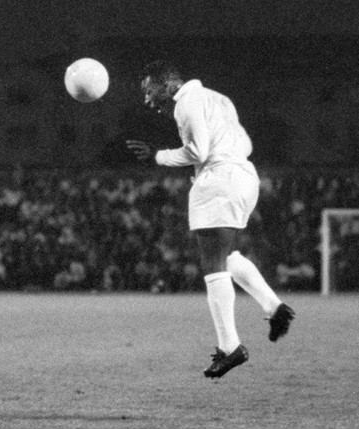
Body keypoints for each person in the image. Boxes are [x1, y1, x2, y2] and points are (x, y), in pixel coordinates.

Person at [126, 61, 295, 378]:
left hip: (219, 179)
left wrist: (158, 156)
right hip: (244, 176)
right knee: (226, 256)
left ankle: (230, 348)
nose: (148, 101)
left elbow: (199, 151)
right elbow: (245, 143)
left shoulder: (186, 104)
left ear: (169, 84)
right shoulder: (219, 99)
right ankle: (275, 308)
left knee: (213, 265)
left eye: (150, 92)